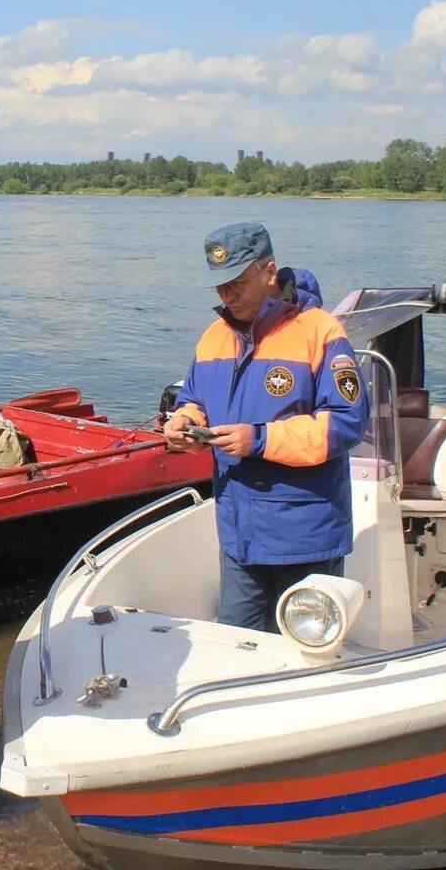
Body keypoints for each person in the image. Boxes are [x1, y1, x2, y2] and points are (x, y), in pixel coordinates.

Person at [162, 221, 367, 632]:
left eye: (236, 282)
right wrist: (186, 424)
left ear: (269, 272)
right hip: (239, 536)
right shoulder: (213, 337)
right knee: (234, 644)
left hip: (305, 536)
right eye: (220, 286)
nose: (227, 295)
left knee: (303, 653)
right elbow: (195, 399)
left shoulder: (321, 331)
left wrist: (258, 439)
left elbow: (346, 423)